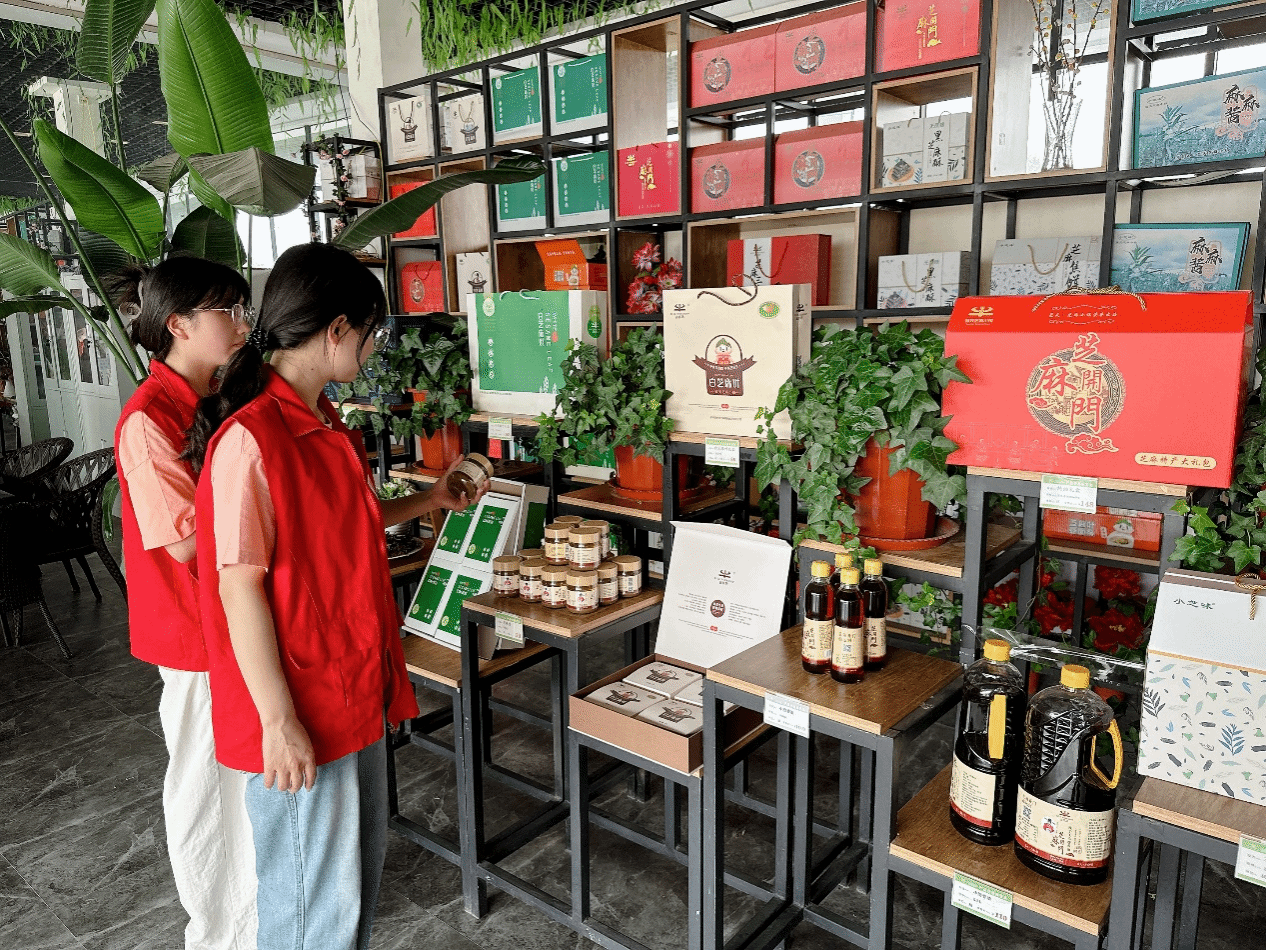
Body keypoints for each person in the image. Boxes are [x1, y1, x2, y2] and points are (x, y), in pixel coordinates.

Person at [184, 242, 481, 950]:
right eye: (371, 333)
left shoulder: (325, 424)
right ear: (337, 329)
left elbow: (352, 522)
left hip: (353, 684)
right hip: (304, 705)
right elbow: (238, 586)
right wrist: (278, 720)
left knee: (348, 897)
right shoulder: (251, 441)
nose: (373, 350)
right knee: (309, 912)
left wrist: (433, 499)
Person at [111, 256, 258, 950]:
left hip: (227, 618)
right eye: (226, 309)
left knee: (239, 779)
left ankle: (249, 919)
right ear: (178, 324)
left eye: (241, 307)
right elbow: (187, 543)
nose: (241, 322)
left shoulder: (212, 397)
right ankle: (215, 931)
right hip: (192, 628)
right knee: (203, 785)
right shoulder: (148, 419)